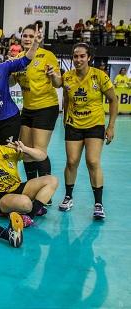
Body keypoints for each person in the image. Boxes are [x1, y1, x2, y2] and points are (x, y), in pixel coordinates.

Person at [59, 43, 118, 219]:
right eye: (75, 56)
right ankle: (68, 197)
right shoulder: (67, 77)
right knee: (71, 161)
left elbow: (113, 100)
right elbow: (67, 99)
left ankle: (98, 203)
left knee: (92, 161)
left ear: (89, 57)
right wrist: (65, 119)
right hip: (74, 124)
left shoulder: (99, 76)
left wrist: (111, 126)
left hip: (94, 125)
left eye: (82, 56)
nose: (78, 59)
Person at [12, 24, 63, 200]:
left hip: (46, 107)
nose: (27, 38)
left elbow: (58, 83)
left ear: (36, 38)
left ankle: (45, 192)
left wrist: (53, 75)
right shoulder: (18, 58)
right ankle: (32, 188)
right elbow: (11, 83)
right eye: (24, 35)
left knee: (39, 150)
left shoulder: (47, 56)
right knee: (26, 151)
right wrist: (9, 72)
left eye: (30, 36)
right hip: (27, 109)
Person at [0, 129, 58, 227]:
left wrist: (25, 149)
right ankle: (22, 210)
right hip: (0, 195)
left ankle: (29, 216)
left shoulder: (6, 149)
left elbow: (42, 157)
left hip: (17, 187)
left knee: (52, 180)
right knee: (26, 204)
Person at [0, 25, 42, 144]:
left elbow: (25, 60)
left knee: (8, 154)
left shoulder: (3, 68)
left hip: (10, 119)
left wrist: (35, 43)